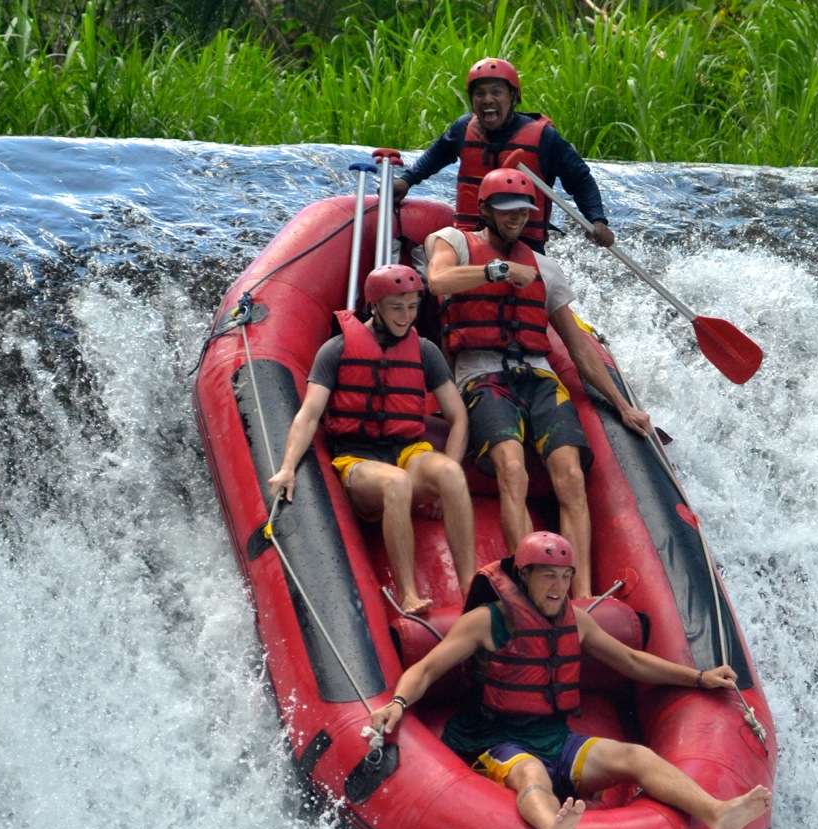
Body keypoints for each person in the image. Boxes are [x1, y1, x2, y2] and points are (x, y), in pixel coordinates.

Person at [369, 532, 773, 829]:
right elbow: (426, 669)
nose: (559, 587)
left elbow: (631, 660)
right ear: (524, 575)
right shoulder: (488, 621)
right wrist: (398, 703)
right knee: (530, 774)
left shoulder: (575, 620)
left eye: (565, 577)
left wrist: (700, 678)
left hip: (556, 738)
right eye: (548, 576)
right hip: (495, 738)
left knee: (636, 757)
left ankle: (716, 813)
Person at [425, 167, 652, 599]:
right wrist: (495, 271)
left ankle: (581, 595)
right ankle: (529, 588)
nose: (516, 218)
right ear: (485, 209)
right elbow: (437, 280)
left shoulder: (545, 268)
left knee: (570, 475)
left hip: (540, 377)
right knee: (512, 469)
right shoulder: (451, 242)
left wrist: (623, 406)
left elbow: (579, 347)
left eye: (523, 211)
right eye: (507, 210)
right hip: (483, 375)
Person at [267, 264, 474, 616]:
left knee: (452, 475)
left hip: (409, 450)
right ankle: (409, 594)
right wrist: (287, 468)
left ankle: (471, 584)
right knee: (395, 482)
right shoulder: (336, 350)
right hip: (357, 459)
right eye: (397, 307)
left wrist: (448, 470)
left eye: (412, 307)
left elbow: (458, 417)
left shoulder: (424, 351)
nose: (406, 316)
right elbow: (309, 414)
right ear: (375, 306)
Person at [392, 57, 615, 255]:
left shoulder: (545, 138)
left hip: (525, 244)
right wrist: (407, 180)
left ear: (514, 97)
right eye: (479, 94)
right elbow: (435, 156)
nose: (487, 99)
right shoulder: (463, 129)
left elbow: (580, 180)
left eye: (496, 92)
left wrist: (597, 219)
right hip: (472, 241)